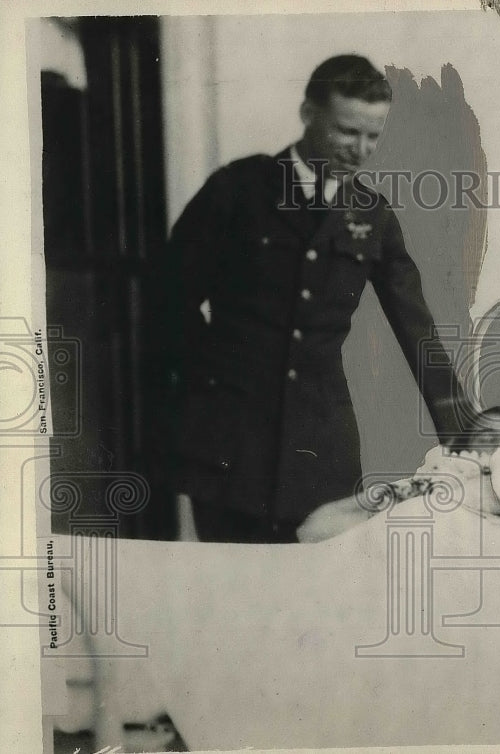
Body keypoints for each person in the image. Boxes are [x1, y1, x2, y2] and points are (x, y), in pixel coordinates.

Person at [165, 54, 467, 543]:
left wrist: (461, 433)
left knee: (319, 596)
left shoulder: (372, 214)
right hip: (230, 440)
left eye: (374, 136)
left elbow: (417, 327)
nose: (361, 150)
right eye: (347, 132)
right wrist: (211, 378)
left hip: (321, 447)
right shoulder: (238, 190)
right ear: (309, 114)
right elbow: (167, 298)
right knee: (232, 590)